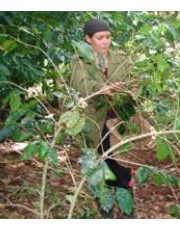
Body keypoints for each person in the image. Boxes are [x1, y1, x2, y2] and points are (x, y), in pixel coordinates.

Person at [70, 18, 134, 218]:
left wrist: (130, 90)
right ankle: (106, 216)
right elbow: (82, 85)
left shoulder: (121, 58)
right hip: (94, 125)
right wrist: (102, 89)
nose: (105, 41)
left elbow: (134, 81)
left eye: (108, 37)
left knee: (123, 172)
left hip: (118, 123)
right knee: (99, 173)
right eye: (100, 38)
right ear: (88, 39)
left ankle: (129, 215)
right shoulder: (79, 61)